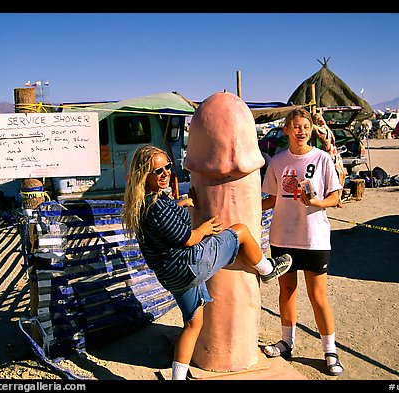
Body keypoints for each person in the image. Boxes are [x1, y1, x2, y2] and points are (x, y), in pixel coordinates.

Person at [122, 145, 292, 380]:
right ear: (144, 175)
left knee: (193, 323)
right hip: (189, 265)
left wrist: (182, 203)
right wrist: (204, 229)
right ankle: (268, 269)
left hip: (170, 275)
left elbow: (164, 218)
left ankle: (177, 378)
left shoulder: (143, 205)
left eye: (167, 167)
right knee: (240, 231)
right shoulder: (157, 207)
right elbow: (189, 239)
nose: (164, 174)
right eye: (157, 171)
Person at [261, 108, 344, 376]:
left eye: (305, 126)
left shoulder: (321, 159)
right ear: (286, 129)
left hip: (314, 237)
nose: (301, 131)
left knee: (317, 295)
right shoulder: (277, 161)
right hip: (283, 237)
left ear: (311, 130)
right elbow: (271, 199)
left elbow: (335, 196)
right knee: (287, 291)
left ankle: (330, 350)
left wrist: (317, 202)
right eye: (296, 126)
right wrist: (243, 207)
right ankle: (287, 342)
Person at [312, 112, 347, 207]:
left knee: (341, 175)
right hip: (330, 155)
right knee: (334, 177)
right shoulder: (321, 129)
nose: (321, 120)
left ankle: (338, 198)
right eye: (319, 119)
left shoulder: (325, 128)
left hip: (334, 154)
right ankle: (336, 198)